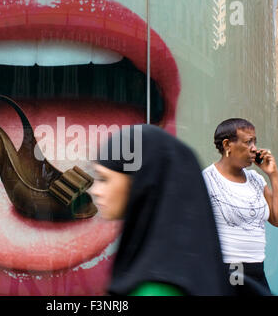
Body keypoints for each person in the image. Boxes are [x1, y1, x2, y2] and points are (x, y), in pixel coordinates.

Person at [91, 124, 232, 296]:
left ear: (139, 183)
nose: (95, 191)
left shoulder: (156, 288)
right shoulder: (175, 266)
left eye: (104, 179)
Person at [202, 118, 278, 295]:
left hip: (257, 271)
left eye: (255, 142)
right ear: (227, 145)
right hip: (227, 270)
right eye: (248, 142)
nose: (254, 148)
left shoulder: (256, 180)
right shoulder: (207, 179)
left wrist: (273, 174)